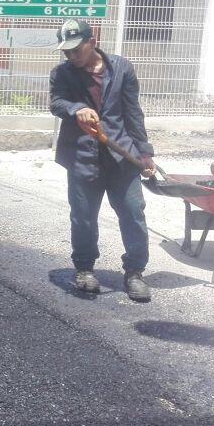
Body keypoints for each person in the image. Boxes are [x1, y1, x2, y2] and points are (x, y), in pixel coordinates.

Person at [49, 19, 157, 302]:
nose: (71, 56)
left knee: (133, 214)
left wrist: (144, 152)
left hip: (121, 155)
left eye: (76, 50)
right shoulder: (62, 73)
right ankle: (84, 269)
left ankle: (134, 272)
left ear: (92, 43)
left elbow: (133, 112)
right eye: (66, 52)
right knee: (83, 217)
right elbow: (56, 103)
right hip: (82, 157)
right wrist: (77, 108)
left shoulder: (121, 68)